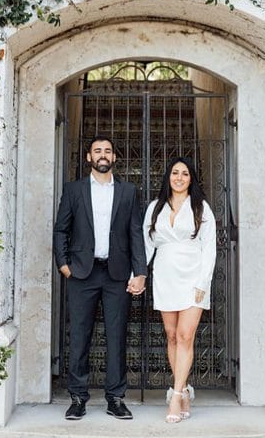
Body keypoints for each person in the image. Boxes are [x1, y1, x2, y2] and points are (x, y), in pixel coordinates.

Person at [53, 135, 147, 421]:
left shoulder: (129, 191)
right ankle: (78, 398)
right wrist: (64, 264)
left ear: (115, 158)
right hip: (82, 272)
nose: (103, 155)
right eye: (97, 151)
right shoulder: (73, 190)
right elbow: (61, 230)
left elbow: (135, 233)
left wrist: (140, 272)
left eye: (107, 151)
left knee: (116, 337)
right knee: (80, 336)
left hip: (117, 274)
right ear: (88, 157)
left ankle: (115, 398)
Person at [143, 156, 216, 424]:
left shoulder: (201, 208)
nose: (179, 177)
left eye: (185, 173)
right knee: (172, 335)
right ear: (168, 177)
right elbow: (147, 245)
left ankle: (175, 395)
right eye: (175, 173)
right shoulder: (155, 207)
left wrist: (203, 282)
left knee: (186, 335)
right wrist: (138, 275)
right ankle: (184, 388)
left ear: (191, 179)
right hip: (164, 277)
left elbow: (209, 247)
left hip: (193, 277)